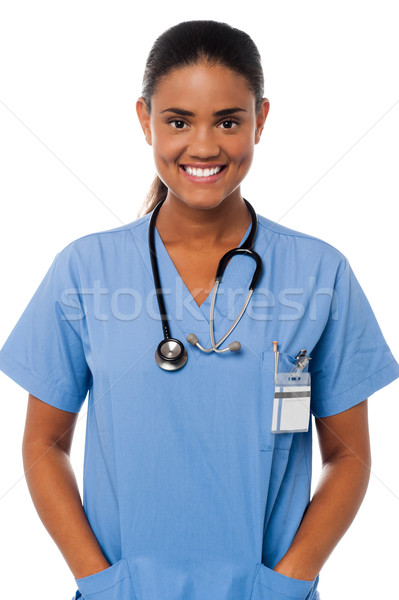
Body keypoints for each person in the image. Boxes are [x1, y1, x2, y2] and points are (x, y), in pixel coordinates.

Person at [0, 19, 398, 600]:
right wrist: (101, 582)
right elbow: (43, 444)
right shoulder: (84, 271)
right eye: (178, 121)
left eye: (229, 121)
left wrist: (286, 585)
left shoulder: (320, 274)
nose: (205, 146)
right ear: (145, 120)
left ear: (261, 120)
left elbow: (348, 453)